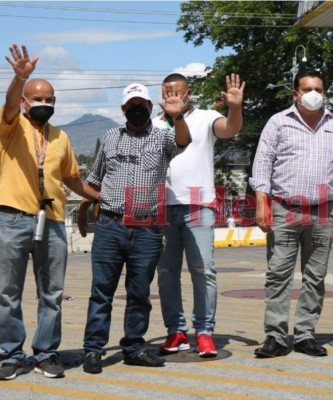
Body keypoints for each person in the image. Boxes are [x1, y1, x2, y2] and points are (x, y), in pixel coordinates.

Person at [250, 70, 333, 358]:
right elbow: (262, 163)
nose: (313, 93)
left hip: (322, 212)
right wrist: (262, 202)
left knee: (315, 276)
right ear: (295, 93)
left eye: (318, 88)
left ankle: (305, 335)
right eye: (306, 88)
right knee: (278, 275)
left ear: (325, 92)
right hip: (284, 210)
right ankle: (276, 336)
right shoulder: (278, 122)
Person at [0, 44, 99, 381]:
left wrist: (101, 198)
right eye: (38, 98)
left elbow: (71, 178)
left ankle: (46, 353)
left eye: (51, 99)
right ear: (26, 101)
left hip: (54, 220)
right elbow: (10, 106)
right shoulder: (11, 127)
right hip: (11, 217)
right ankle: (10, 354)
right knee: (7, 292)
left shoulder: (61, 137)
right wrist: (19, 79)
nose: (45, 103)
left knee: (52, 294)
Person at [78, 82, 191, 374]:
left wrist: (177, 116)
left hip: (148, 230)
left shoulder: (164, 137)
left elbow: (183, 142)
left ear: (151, 108)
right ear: (123, 109)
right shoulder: (108, 138)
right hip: (110, 226)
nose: (137, 109)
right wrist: (83, 207)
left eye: (142, 104)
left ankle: (133, 347)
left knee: (139, 293)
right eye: (131, 105)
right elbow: (94, 180)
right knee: (101, 291)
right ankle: (93, 350)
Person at [155, 73, 244, 358]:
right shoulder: (154, 124)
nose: (172, 96)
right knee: (167, 273)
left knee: (203, 271)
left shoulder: (206, 117)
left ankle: (204, 332)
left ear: (188, 93)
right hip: (162, 207)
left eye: (177, 92)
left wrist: (235, 107)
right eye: (167, 92)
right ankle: (176, 331)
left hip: (198, 205)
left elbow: (230, 129)